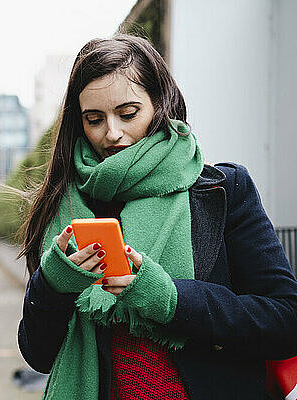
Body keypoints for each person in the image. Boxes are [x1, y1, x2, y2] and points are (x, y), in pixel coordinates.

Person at [16, 34, 297, 400]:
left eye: (128, 113)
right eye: (94, 119)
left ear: (160, 104)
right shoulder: (64, 206)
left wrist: (172, 300)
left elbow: (285, 321)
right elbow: (38, 355)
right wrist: (53, 283)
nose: (112, 133)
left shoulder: (223, 190)